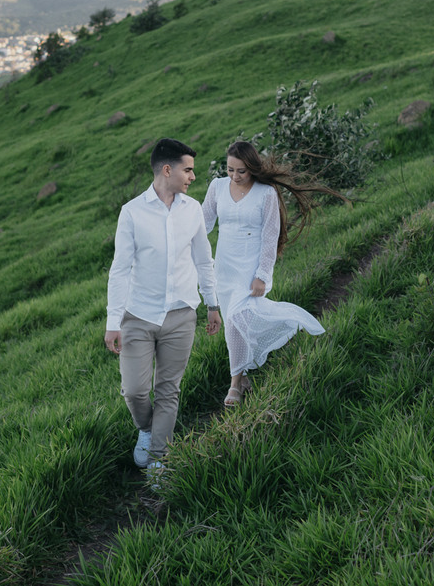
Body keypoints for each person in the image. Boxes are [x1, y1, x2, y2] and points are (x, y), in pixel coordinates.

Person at [105, 138, 221, 474]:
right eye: (188, 170)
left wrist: (211, 304)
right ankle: (146, 429)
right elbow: (120, 270)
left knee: (169, 390)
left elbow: (204, 259)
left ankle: (158, 458)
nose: (193, 177)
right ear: (167, 170)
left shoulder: (193, 210)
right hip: (137, 317)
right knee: (135, 391)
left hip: (182, 314)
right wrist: (114, 321)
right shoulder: (132, 213)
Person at [202, 141, 337, 407]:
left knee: (236, 316)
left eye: (241, 171)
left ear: (252, 168)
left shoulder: (266, 194)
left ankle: (234, 386)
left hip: (250, 267)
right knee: (234, 326)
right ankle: (242, 378)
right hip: (225, 267)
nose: (235, 176)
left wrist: (262, 274)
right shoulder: (217, 187)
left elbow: (269, 236)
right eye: (230, 169)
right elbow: (203, 224)